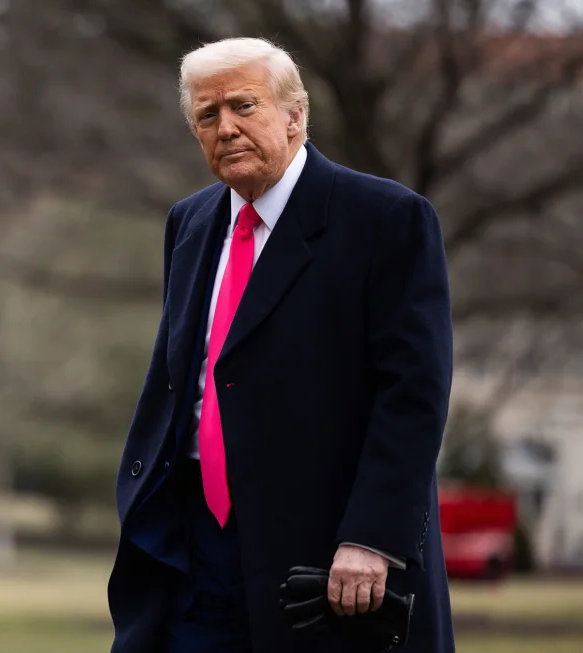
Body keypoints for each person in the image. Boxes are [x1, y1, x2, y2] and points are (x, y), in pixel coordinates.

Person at [107, 37, 455, 653]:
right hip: (194, 545)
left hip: (325, 554)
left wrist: (372, 537)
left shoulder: (386, 218)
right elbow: (185, 374)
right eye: (207, 116)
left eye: (245, 106)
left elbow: (414, 395)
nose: (227, 128)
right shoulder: (187, 223)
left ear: (295, 116)